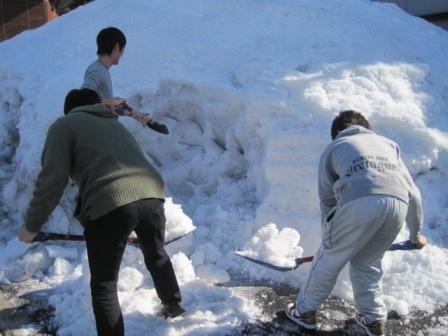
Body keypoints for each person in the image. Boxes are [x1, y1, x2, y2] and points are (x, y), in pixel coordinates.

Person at [19, 88, 184, 336]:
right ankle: (173, 306)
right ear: (96, 105)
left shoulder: (64, 126)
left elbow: (51, 181)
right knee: (157, 254)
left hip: (110, 201)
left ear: (70, 110)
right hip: (152, 194)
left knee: (104, 284)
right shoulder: (115, 125)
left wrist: (31, 227)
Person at [285, 110, 427, 336]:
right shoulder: (389, 145)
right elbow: (414, 195)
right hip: (397, 206)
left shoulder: (334, 148)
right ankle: (373, 319)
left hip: (358, 200)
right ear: (367, 129)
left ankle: (304, 312)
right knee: (368, 262)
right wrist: (416, 234)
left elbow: (327, 199)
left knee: (329, 260)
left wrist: (330, 238)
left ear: (337, 133)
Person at [81, 26, 150, 125]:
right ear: (117, 47)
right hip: (98, 129)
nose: (122, 53)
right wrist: (113, 101)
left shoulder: (102, 69)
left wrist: (136, 115)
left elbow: (105, 105)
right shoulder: (96, 70)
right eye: (122, 49)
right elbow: (84, 97)